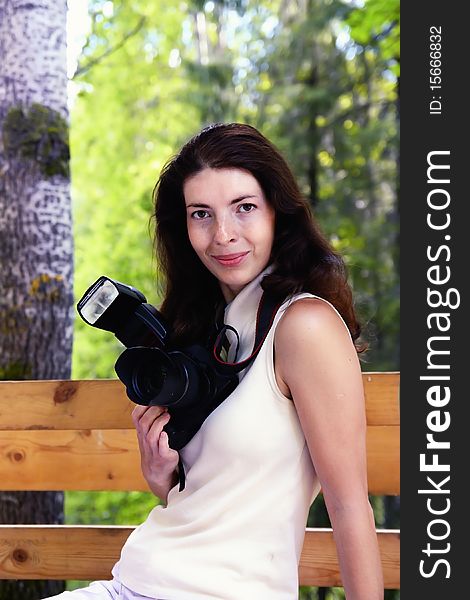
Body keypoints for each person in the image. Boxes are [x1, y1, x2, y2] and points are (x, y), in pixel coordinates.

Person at [44, 122, 384, 599]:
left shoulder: (303, 325)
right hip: (134, 582)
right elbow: (216, 508)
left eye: (243, 207)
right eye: (201, 214)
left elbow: (349, 506)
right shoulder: (208, 331)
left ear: (277, 214)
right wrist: (162, 478)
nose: (222, 235)